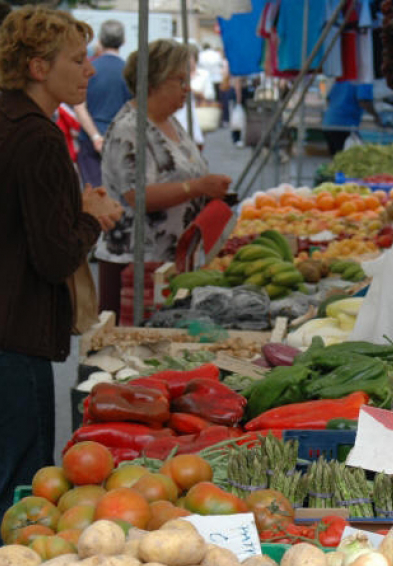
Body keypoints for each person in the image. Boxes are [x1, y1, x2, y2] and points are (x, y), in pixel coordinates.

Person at [0, 6, 122, 512]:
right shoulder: (39, 137)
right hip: (17, 333)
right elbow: (54, 258)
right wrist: (93, 218)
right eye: (77, 60)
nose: (90, 70)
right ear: (38, 67)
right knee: (19, 489)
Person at [96, 39, 232, 315]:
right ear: (153, 81)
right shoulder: (129, 129)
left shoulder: (170, 121)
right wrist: (197, 187)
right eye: (179, 80)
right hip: (135, 262)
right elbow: (137, 195)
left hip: (168, 260)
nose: (187, 88)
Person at [73, 19, 131, 187]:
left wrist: (96, 136)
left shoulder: (88, 69)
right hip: (121, 139)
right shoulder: (129, 72)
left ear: (99, 41)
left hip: (90, 138)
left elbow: (79, 107)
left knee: (95, 197)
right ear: (123, 41)